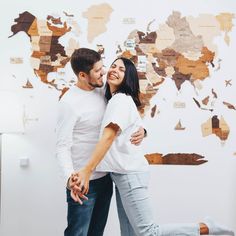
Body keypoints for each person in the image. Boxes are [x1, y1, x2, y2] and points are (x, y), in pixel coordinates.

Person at [71, 57, 235, 236]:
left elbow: (108, 137)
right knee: (130, 233)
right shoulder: (114, 99)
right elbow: (132, 125)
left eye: (121, 69)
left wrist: (87, 170)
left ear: (128, 78)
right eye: (113, 66)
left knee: (149, 232)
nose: (114, 70)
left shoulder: (119, 101)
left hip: (130, 176)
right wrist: (144, 130)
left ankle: (205, 228)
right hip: (122, 175)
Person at [55, 48, 146, 236]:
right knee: (77, 233)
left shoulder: (103, 90)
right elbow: (62, 146)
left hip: (105, 179)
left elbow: (126, 110)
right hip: (82, 182)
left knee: (97, 232)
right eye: (97, 71)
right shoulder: (69, 103)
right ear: (82, 75)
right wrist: (69, 178)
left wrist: (143, 130)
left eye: (102, 67)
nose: (103, 73)